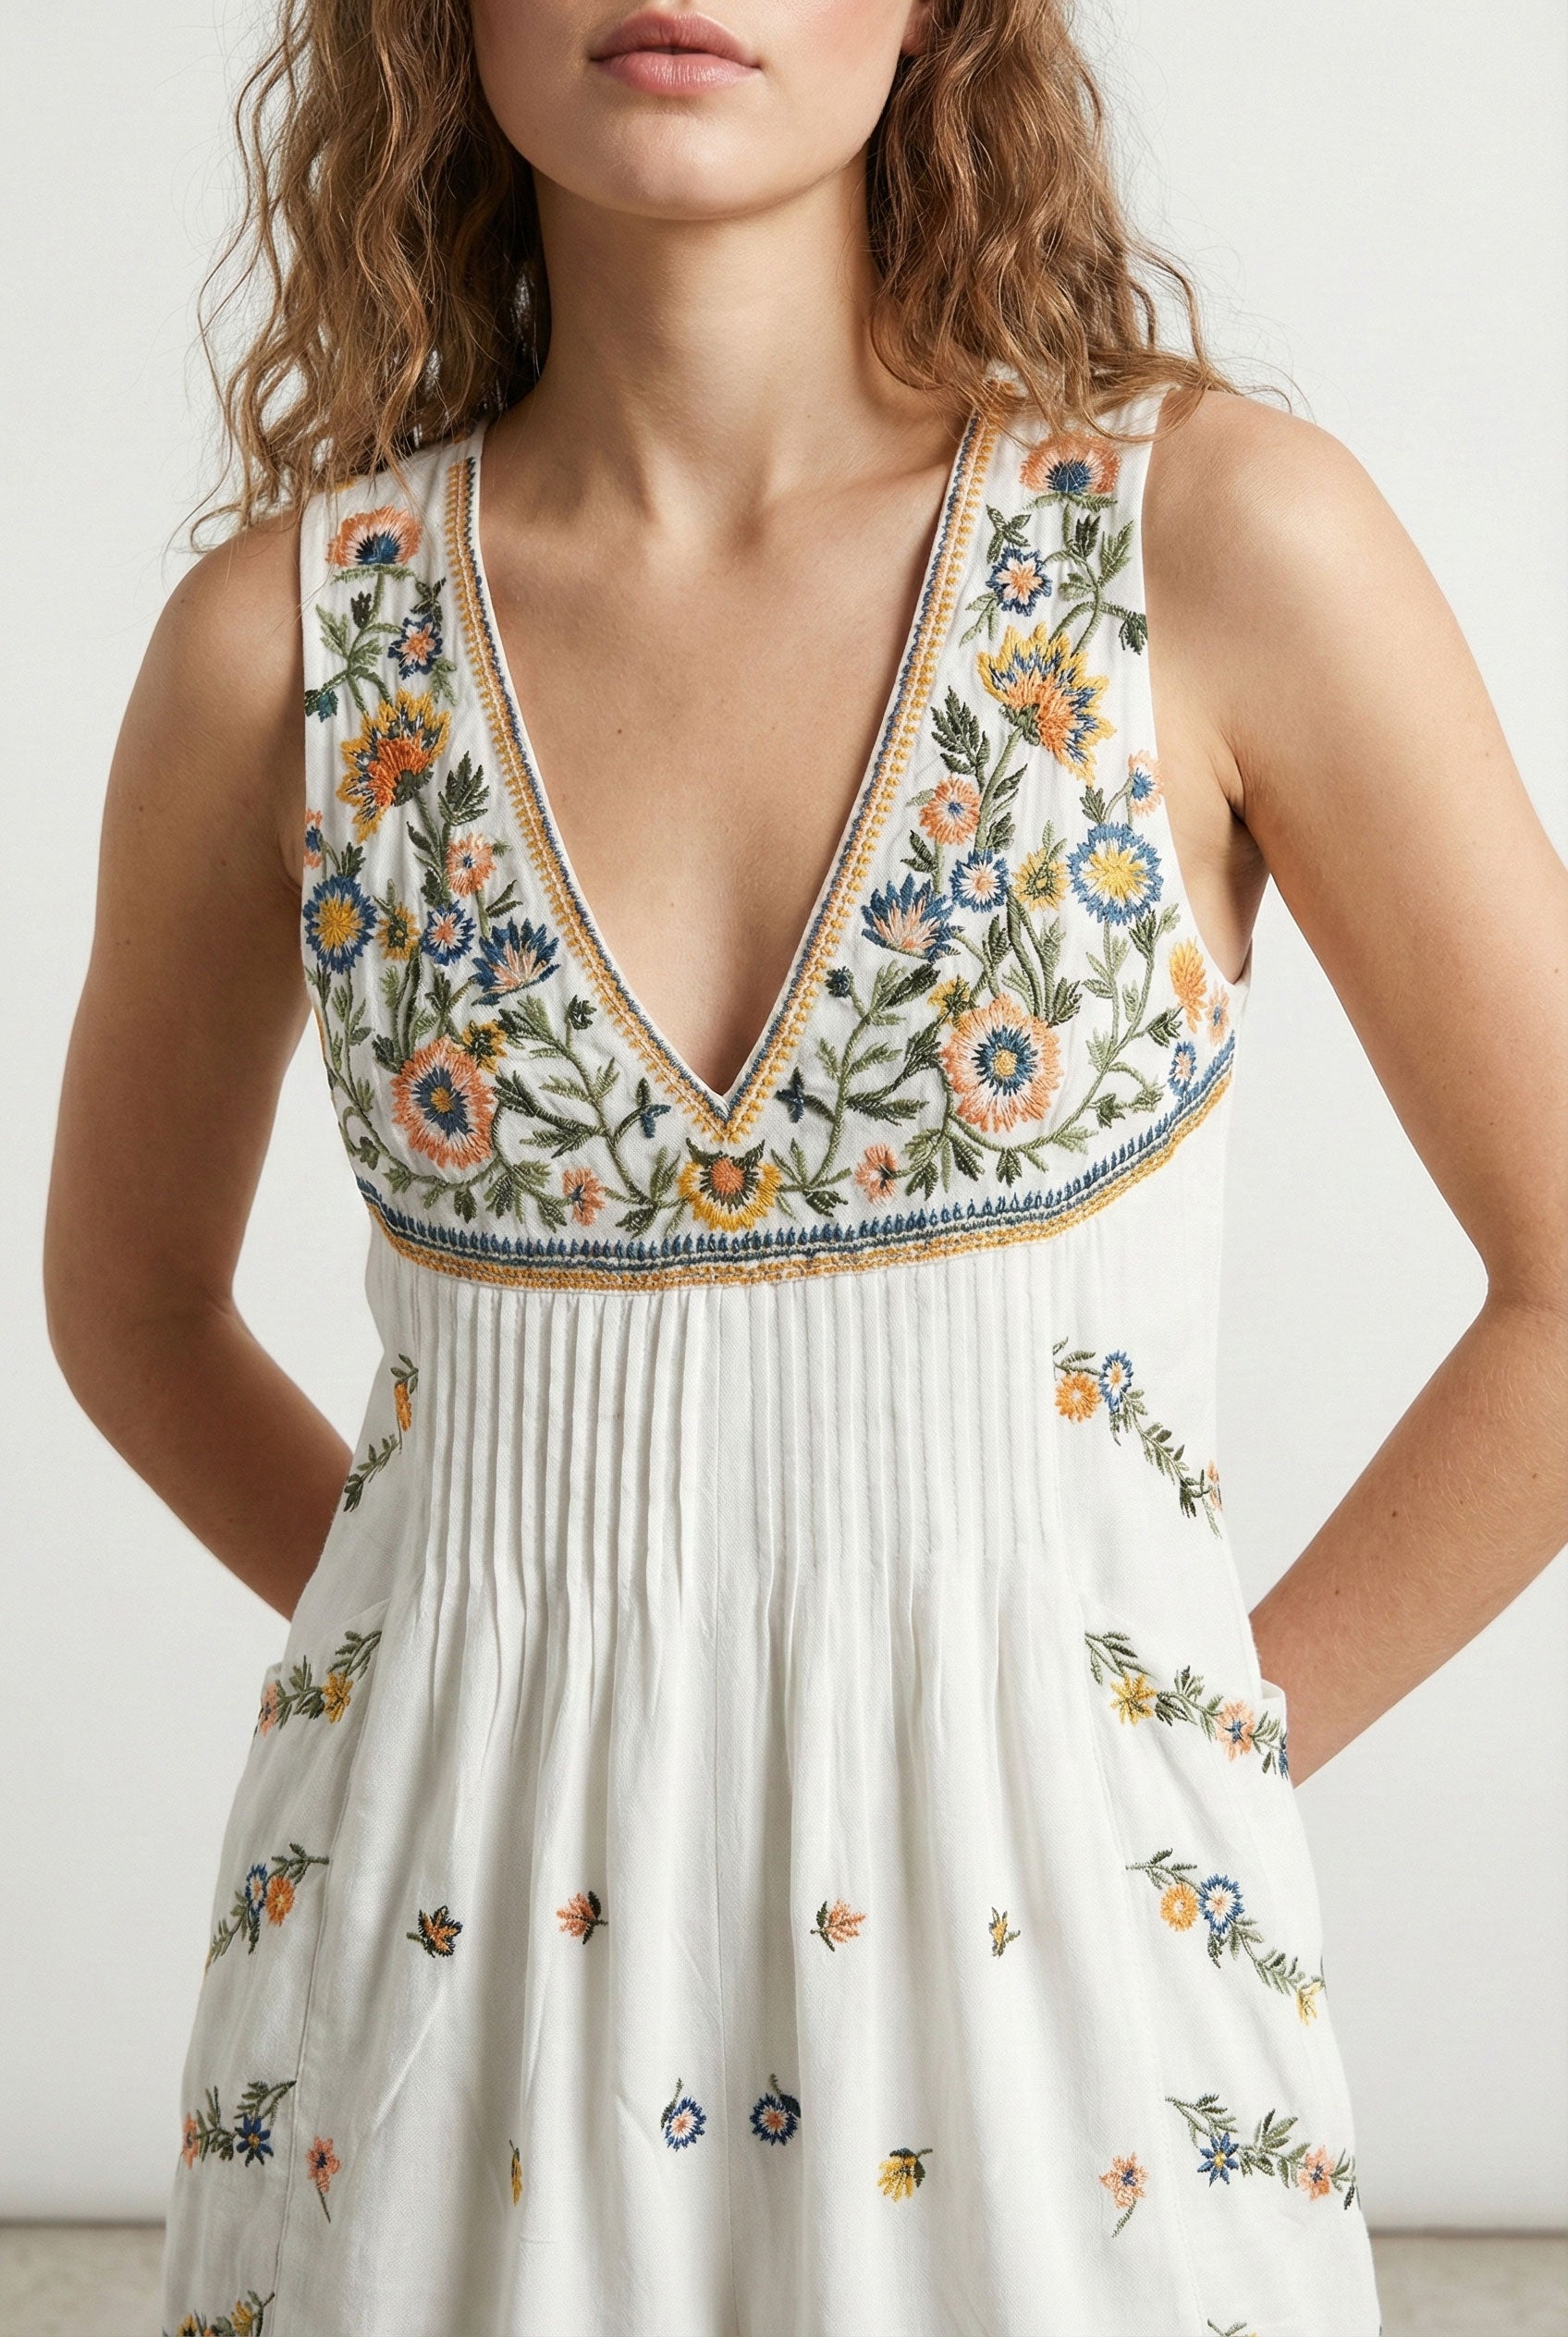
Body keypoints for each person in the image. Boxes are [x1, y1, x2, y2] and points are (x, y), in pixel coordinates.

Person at [43, 2, 1566, 2332]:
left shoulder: (1208, 544)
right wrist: (474, 1653)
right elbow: (128, 1301)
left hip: (1077, 2025)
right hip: (446, 2037)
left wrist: (1185, 1743)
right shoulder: (287, 649)